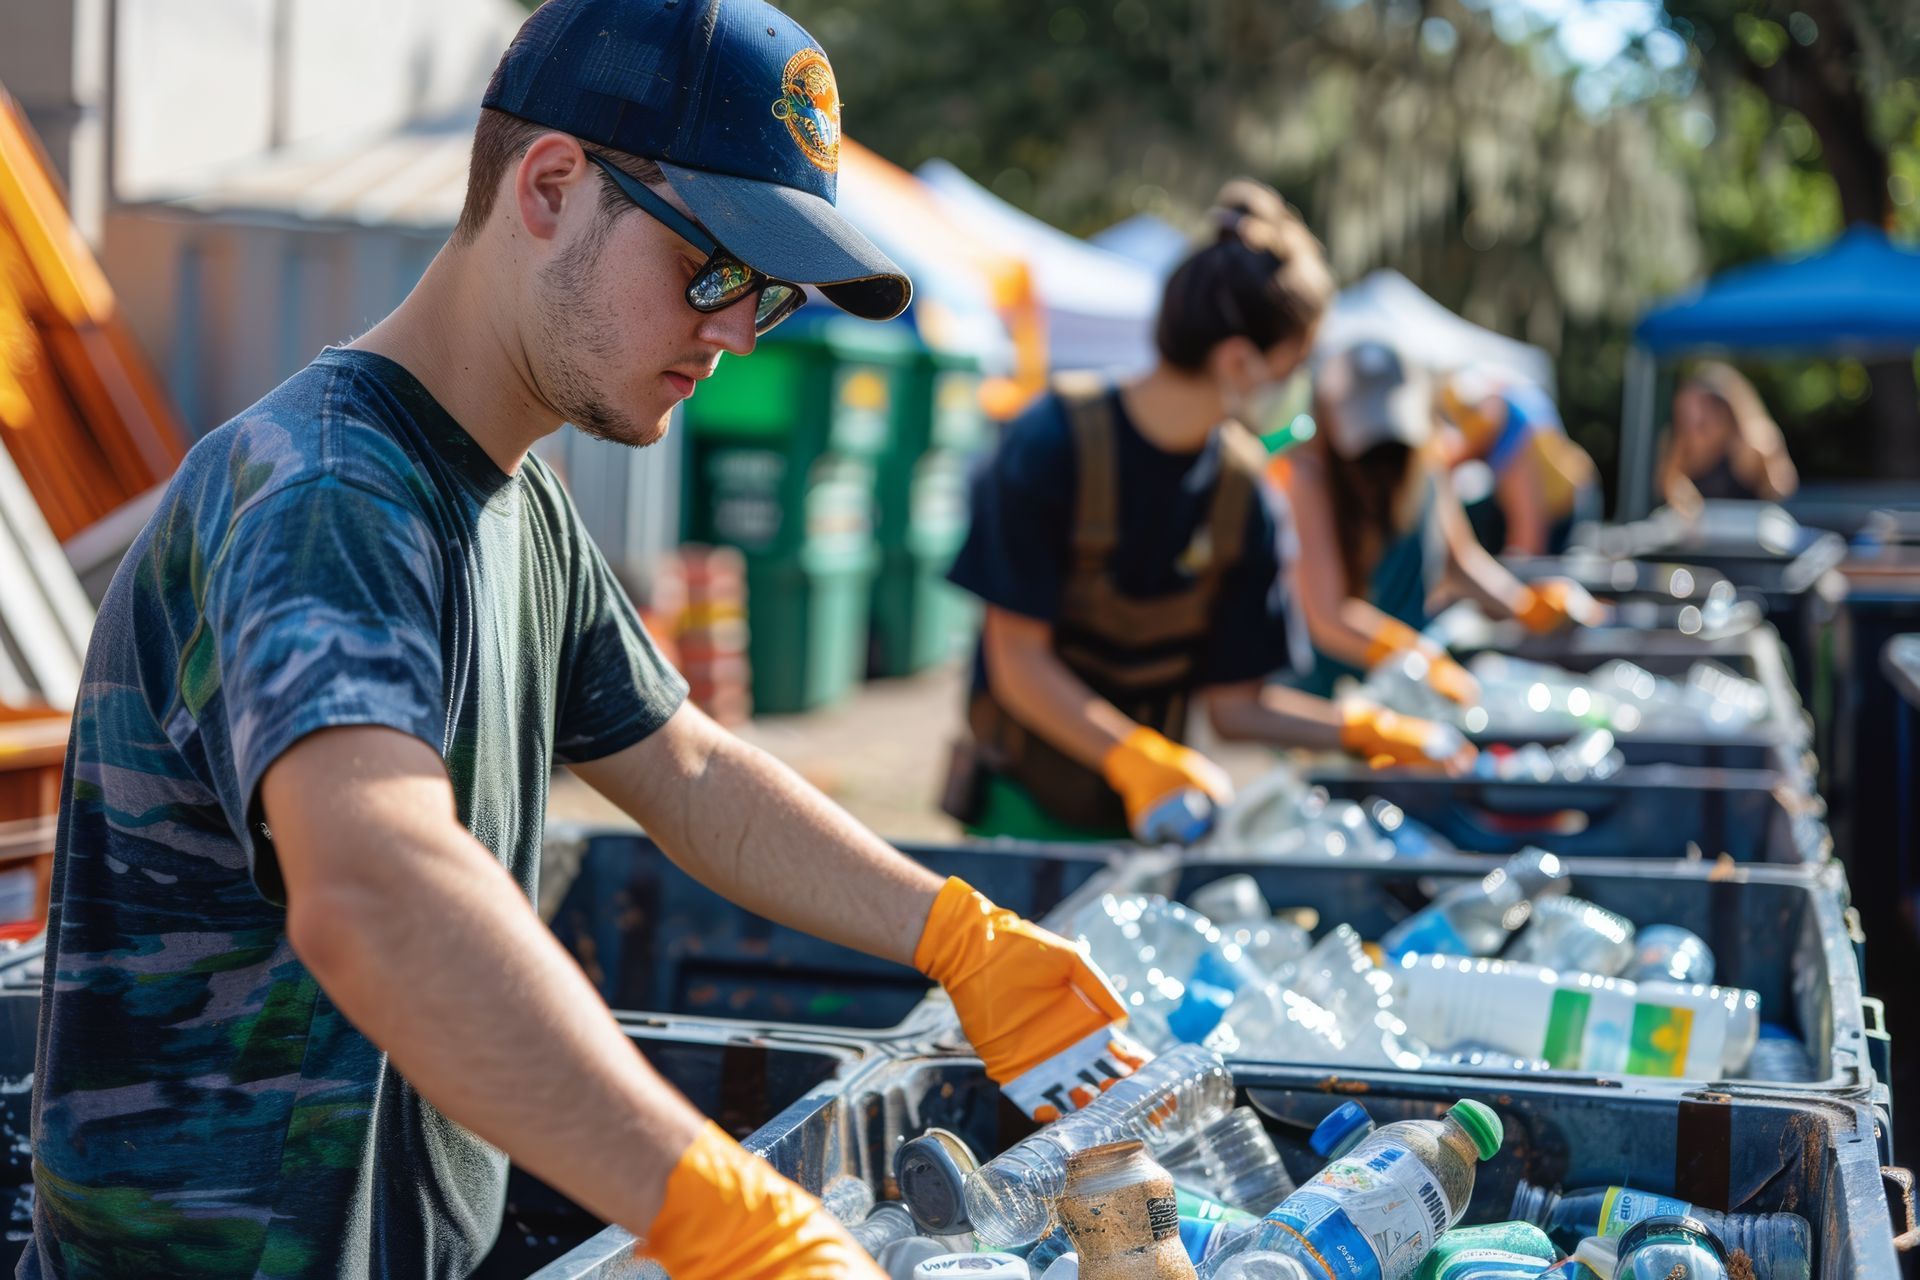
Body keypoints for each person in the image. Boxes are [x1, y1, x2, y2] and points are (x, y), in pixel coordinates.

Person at [22, 3, 1138, 1276]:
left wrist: (958, 933)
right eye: (712, 267)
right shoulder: (330, 493)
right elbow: (373, 886)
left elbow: (691, 773)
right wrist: (720, 1209)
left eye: (768, 295)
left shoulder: (514, 493)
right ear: (551, 186)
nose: (734, 332)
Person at [942, 182, 1472, 847]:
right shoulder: (1051, 442)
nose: (1300, 388)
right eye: (1297, 363)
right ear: (1239, 360)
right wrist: (1134, 757)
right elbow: (1017, 659)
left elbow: (1237, 708)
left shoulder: (1245, 494)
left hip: (1149, 822)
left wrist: (1366, 731)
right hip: (1020, 812)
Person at [1277, 340, 1602, 703]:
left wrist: (1524, 606)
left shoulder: (1427, 463)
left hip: (1412, 687)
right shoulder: (1308, 478)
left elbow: (1458, 562)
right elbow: (1328, 617)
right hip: (1332, 697)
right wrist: (1417, 659)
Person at [1437, 368, 1600, 555]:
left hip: (1565, 509)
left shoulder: (1510, 437)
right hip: (1573, 485)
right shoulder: (1503, 401)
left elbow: (1528, 541)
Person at [1658, 361, 1799, 517]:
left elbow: (1782, 490)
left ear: (1727, 410)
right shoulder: (1683, 444)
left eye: (1706, 410)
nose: (1696, 419)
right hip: (1705, 535)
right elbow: (1667, 486)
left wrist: (1764, 464)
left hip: (1751, 531)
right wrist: (1687, 502)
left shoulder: (1756, 440)